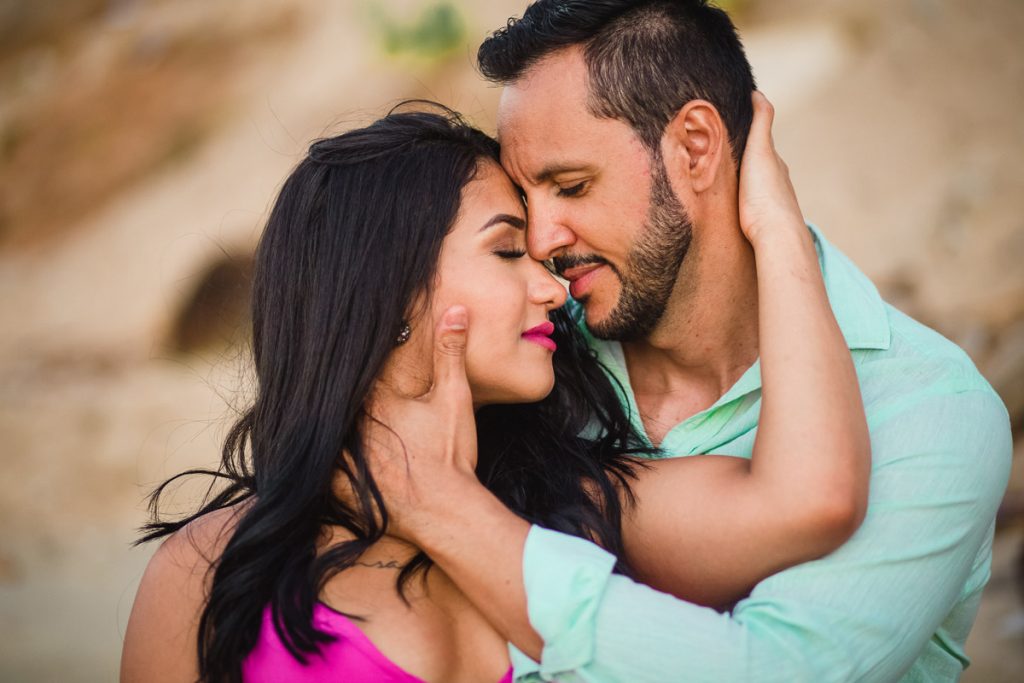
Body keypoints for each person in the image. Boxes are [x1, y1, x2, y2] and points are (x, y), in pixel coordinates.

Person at [362, 2, 1014, 682]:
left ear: (695, 148)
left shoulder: (931, 409)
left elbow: (784, 671)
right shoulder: (531, 359)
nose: (542, 239)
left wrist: (780, 231)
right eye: (528, 202)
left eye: (572, 185)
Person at [121, 97, 868, 682]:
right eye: (508, 248)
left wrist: (775, 228)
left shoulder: (579, 509)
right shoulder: (210, 573)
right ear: (389, 286)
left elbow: (813, 498)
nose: (552, 287)